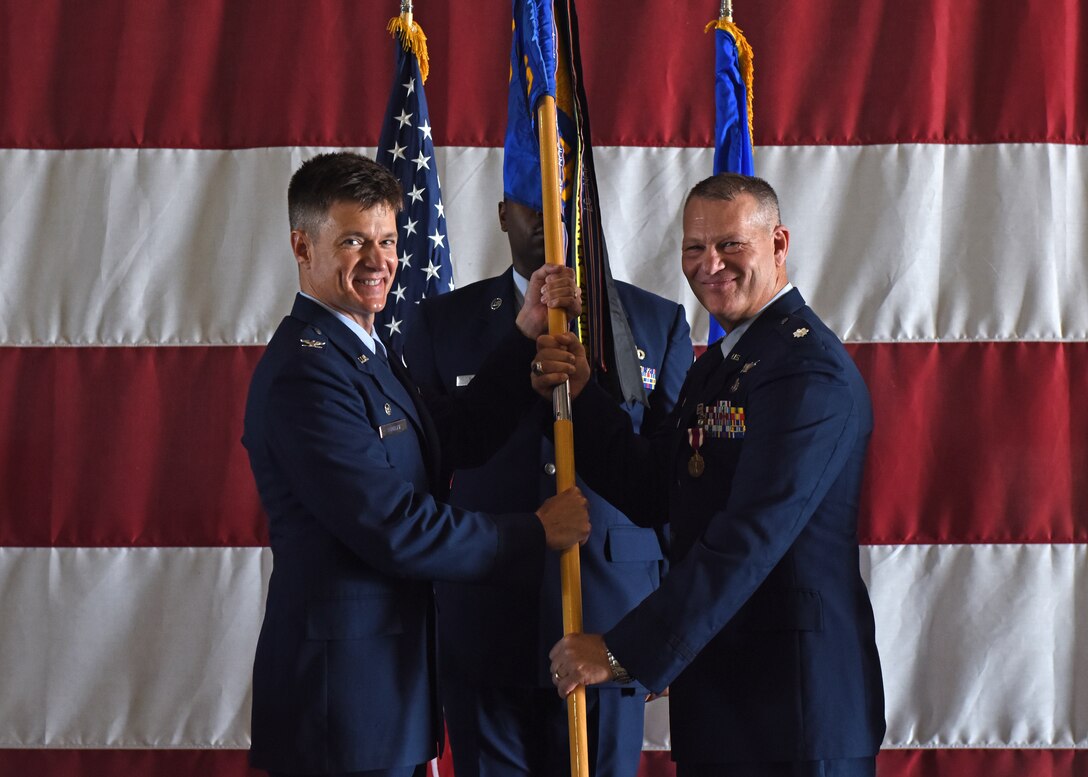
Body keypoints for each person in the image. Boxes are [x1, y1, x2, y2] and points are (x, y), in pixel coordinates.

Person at [241, 152, 591, 777]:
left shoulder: (362, 350)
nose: (378, 261)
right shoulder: (307, 373)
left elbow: (443, 438)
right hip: (340, 709)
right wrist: (537, 532)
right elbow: (396, 527)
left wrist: (523, 335)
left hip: (383, 694)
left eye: (386, 240)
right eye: (353, 241)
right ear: (303, 245)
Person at [536, 174, 886, 777]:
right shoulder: (732, 363)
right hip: (733, 702)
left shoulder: (807, 373)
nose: (709, 264)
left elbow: (747, 539)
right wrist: (583, 397)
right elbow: (658, 486)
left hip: (794, 716)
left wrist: (621, 651)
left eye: (731, 245)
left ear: (778, 244)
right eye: (694, 248)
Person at [403, 195, 692, 777]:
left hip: (612, 620)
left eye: (566, 207)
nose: (552, 223)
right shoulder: (442, 322)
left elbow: (674, 493)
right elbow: (422, 483)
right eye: (533, 208)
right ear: (502, 213)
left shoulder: (654, 320)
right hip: (483, 620)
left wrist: (660, 633)